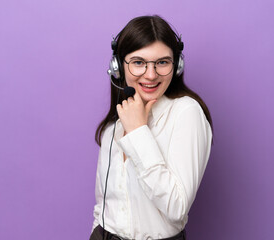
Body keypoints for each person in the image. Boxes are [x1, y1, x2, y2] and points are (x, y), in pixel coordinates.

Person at [90, 15, 213, 240]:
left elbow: (176, 207)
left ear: (176, 66)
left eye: (162, 62)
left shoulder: (186, 113)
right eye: (138, 62)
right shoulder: (115, 126)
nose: (151, 74)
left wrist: (138, 132)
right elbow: (103, 206)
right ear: (118, 67)